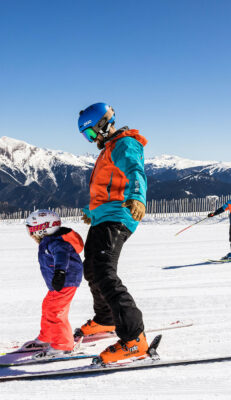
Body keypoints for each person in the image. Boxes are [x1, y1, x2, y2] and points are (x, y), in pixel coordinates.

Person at [77, 102, 148, 364]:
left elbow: (134, 171)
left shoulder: (124, 144)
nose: (91, 139)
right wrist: (91, 210)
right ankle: (106, 319)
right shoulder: (108, 148)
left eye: (92, 133)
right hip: (103, 217)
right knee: (92, 270)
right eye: (87, 136)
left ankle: (134, 339)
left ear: (105, 123)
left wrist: (138, 197)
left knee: (105, 272)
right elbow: (106, 186)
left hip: (119, 216)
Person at [23, 209, 83, 356]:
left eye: (31, 229)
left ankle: (63, 345)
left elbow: (61, 256)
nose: (30, 233)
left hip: (66, 281)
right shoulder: (50, 240)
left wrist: (60, 272)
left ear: (42, 228)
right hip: (59, 283)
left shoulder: (56, 242)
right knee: (48, 307)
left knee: (55, 312)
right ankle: (47, 337)